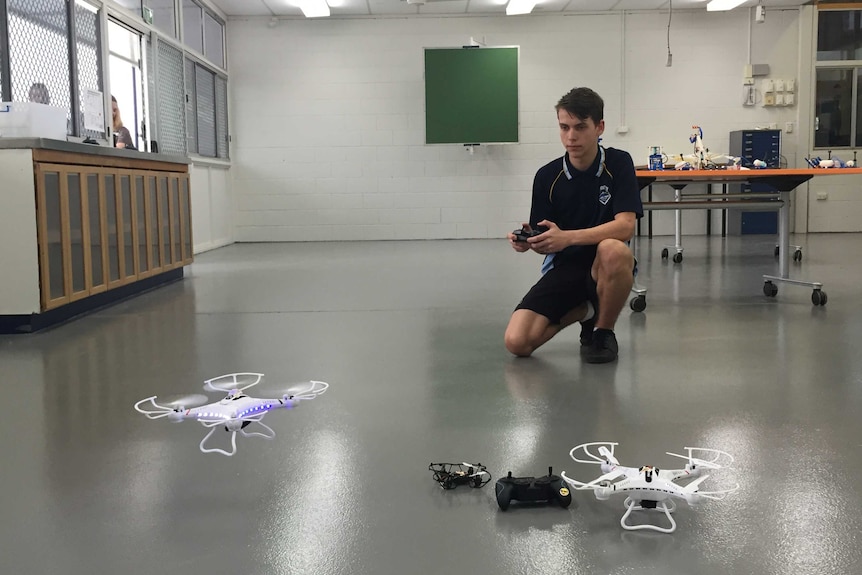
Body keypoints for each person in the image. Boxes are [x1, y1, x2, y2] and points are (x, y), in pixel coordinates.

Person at [504, 87, 643, 364]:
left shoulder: (619, 163)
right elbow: (547, 239)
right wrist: (529, 242)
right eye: (564, 127)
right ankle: (585, 311)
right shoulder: (547, 176)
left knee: (613, 250)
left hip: (606, 267)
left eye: (580, 127)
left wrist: (568, 237)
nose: (571, 136)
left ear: (599, 127)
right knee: (517, 343)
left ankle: (603, 332)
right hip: (565, 268)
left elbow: (626, 227)